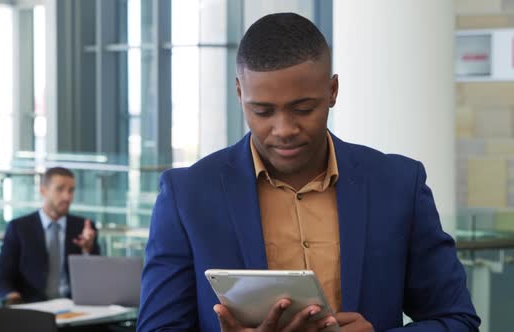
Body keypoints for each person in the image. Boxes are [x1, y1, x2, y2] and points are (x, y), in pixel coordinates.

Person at [137, 12, 480, 332]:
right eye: (262, 111)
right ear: (240, 93)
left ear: (332, 91)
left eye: (303, 108)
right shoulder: (187, 196)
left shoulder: (399, 184)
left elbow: (457, 319)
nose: (284, 128)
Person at [0, 167, 100, 303]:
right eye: (60, 189)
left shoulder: (84, 228)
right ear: (43, 191)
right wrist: (14, 299)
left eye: (71, 190)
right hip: (33, 307)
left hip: (76, 306)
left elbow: (97, 279)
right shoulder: (19, 228)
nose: (67, 197)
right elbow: (1, 280)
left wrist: (87, 250)